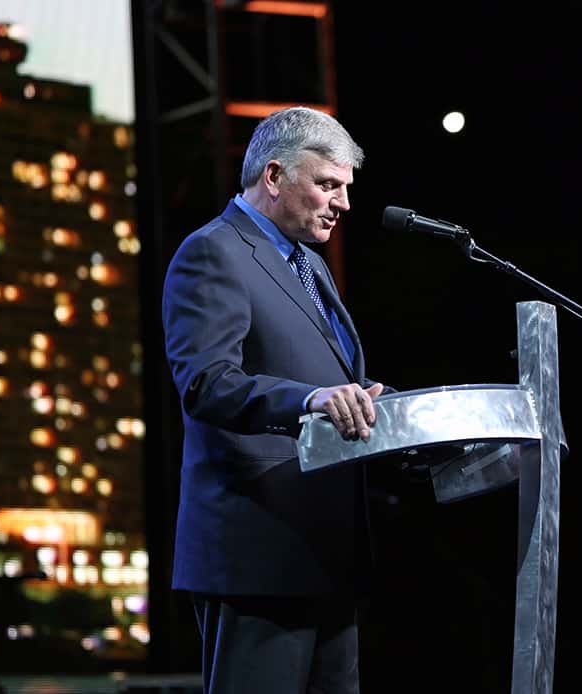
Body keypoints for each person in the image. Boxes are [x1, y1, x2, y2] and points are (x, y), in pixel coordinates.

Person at [162, 106, 389, 693]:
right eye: (328, 185)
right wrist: (313, 398)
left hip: (327, 551)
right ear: (274, 175)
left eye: (345, 188)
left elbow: (321, 375)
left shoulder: (309, 264)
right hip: (259, 553)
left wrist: (367, 405)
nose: (343, 203)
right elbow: (207, 383)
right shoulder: (213, 251)